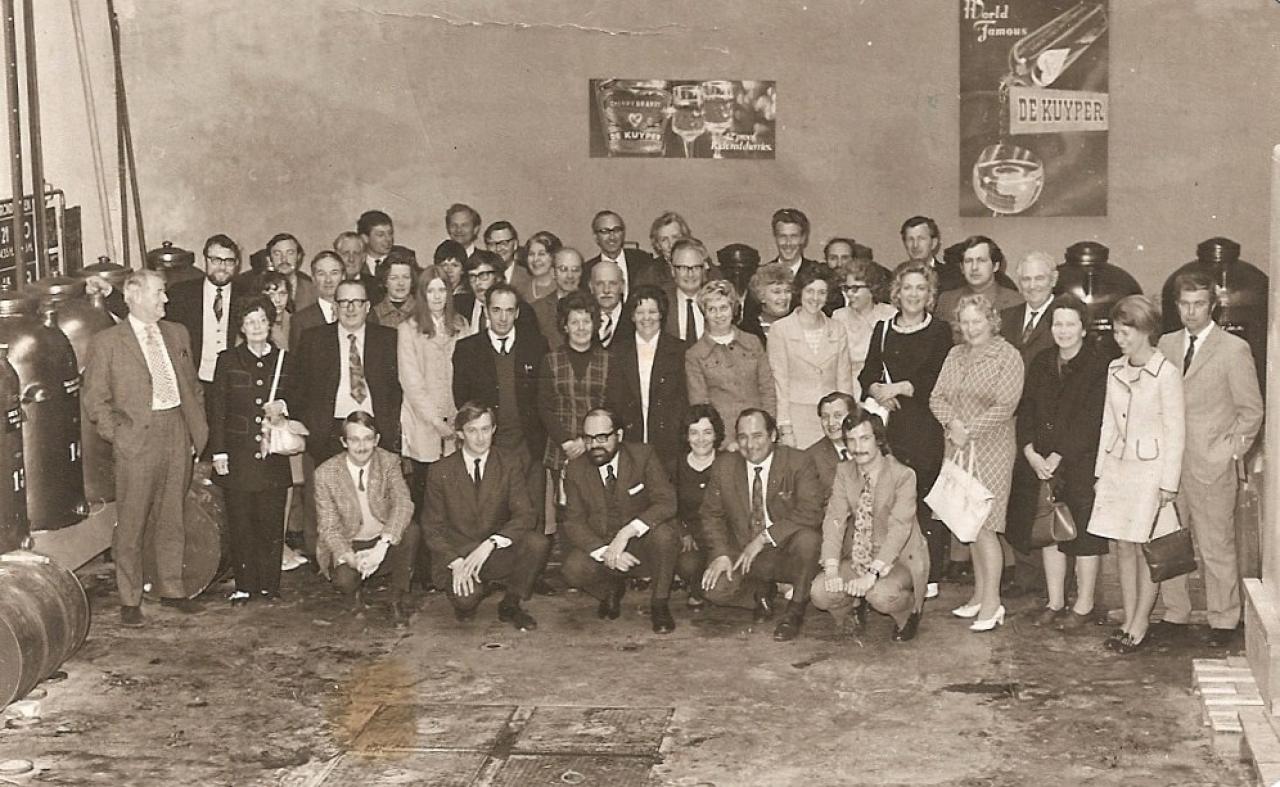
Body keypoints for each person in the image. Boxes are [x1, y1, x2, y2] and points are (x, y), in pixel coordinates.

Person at [82, 270, 209, 625]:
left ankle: (172, 590)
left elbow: (192, 386)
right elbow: (95, 399)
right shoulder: (107, 342)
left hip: (176, 430)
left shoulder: (178, 333)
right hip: (136, 438)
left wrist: (193, 430)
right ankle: (130, 598)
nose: (165, 299)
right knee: (132, 522)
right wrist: (119, 435)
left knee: (172, 516)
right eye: (158, 292)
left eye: (164, 292)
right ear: (133, 296)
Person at [1156, 273, 1263, 648]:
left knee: (1216, 544)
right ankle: (1175, 612)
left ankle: (1224, 618)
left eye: (1199, 304)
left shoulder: (1233, 349)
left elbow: (1252, 412)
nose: (1191, 312)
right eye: (1184, 304)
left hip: (1212, 465)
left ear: (1212, 306)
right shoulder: (1166, 344)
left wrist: (1229, 453)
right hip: (1170, 465)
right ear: (1176, 306)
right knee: (1169, 540)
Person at [1088, 295, 1185, 653]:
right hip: (1117, 468)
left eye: (1126, 332)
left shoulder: (1166, 374)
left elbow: (1176, 432)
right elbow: (1107, 424)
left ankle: (1141, 622)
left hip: (1150, 472)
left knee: (1148, 547)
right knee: (1123, 545)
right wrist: (1100, 472)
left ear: (1145, 330)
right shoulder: (1114, 369)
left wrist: (1168, 484)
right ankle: (1128, 619)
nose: (1119, 339)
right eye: (1116, 332)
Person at [1014, 296, 1111, 629]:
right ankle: (1055, 601)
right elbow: (1027, 408)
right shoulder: (1042, 361)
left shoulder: (1098, 365)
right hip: (1042, 462)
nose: (1063, 331)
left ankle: (1083, 606)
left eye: (1071, 324)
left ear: (1083, 329)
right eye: (1058, 324)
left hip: (1079, 463)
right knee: (1051, 532)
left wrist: (1059, 455)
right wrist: (1029, 451)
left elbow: (1091, 418)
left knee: (1083, 535)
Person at [930, 294, 1025, 632]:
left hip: (992, 448)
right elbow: (936, 396)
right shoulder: (955, 354)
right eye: (965, 322)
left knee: (985, 525)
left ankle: (993, 603)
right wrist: (952, 423)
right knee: (967, 524)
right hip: (957, 446)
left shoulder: (1008, 356)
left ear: (991, 320)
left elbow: (1006, 405)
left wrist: (968, 430)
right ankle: (979, 595)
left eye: (977, 321)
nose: (971, 328)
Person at [860, 263, 954, 598]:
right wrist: (877, 391)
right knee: (892, 497)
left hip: (926, 424)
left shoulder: (940, 330)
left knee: (925, 499)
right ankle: (894, 567)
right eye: (907, 288)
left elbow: (938, 377)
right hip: (892, 424)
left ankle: (928, 574)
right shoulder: (883, 328)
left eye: (920, 288)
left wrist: (899, 387)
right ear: (897, 293)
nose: (913, 294)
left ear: (930, 295)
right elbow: (867, 373)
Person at [699, 409, 822, 641]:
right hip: (744, 550)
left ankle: (794, 611)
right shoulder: (724, 466)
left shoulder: (798, 461)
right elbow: (710, 514)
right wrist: (721, 553)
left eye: (757, 436)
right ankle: (761, 592)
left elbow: (811, 511)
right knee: (714, 591)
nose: (750, 445)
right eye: (743, 437)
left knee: (809, 540)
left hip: (784, 547)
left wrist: (764, 537)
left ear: (773, 435)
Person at [422, 402, 546, 630]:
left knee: (537, 542)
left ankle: (511, 602)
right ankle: (476, 591)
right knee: (466, 603)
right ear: (460, 434)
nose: (480, 438)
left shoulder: (509, 463)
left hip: (494, 552)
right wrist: (456, 562)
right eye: (472, 430)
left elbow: (526, 515)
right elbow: (432, 528)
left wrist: (491, 543)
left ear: (494, 429)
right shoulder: (440, 471)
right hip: (460, 556)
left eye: (485, 429)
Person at [561, 408, 683, 634]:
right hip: (604, 543)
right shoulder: (576, 468)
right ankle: (609, 590)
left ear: (619, 435)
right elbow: (573, 522)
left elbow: (667, 502)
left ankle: (659, 603)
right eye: (588, 438)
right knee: (572, 570)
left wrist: (626, 533)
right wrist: (606, 552)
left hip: (641, 542)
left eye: (602, 438)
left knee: (665, 536)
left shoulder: (643, 456)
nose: (594, 445)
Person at [811, 410, 929, 641]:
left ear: (879, 440)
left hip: (897, 558)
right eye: (851, 440)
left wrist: (872, 574)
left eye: (865, 438)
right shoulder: (845, 471)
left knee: (880, 595)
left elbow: (899, 529)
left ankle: (908, 614)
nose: (858, 447)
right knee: (820, 592)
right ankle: (850, 612)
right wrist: (832, 570)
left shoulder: (903, 475)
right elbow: (834, 519)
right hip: (858, 555)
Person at [210, 295, 293, 605]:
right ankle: (245, 585)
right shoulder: (228, 360)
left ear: (270, 325)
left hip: (272, 456)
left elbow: (300, 396)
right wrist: (219, 452)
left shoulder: (284, 360)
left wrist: (283, 406)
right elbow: (217, 409)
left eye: (262, 321)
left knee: (271, 523)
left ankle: (270, 585)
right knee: (241, 522)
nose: (256, 327)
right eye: (250, 322)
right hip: (239, 454)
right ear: (241, 327)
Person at [452, 283, 550, 539]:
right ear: (486, 311)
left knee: (531, 520)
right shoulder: (467, 349)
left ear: (517, 313)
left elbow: (545, 396)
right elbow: (462, 401)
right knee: (493, 516)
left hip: (529, 447)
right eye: (496, 310)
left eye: (509, 310)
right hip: (489, 447)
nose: (503, 318)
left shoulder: (536, 346)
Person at [1000, 251, 1063, 595]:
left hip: (1048, 421)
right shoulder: (1007, 318)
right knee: (1018, 498)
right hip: (1009, 419)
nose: (1033, 285)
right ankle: (1026, 577)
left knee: (1048, 501)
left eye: (1040, 278)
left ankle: (1057, 585)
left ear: (1053, 280)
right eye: (1026, 279)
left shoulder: (1064, 317)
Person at [314, 412, 415, 624]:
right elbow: (329, 527)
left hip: (383, 540)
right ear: (343, 442)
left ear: (377, 440)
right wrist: (351, 558)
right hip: (350, 543)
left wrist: (382, 546)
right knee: (344, 580)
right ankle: (354, 595)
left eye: (368, 439)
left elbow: (403, 503)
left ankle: (396, 598)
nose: (362, 446)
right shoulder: (325, 473)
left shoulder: (389, 462)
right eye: (354, 440)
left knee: (412, 532)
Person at [399, 265, 468, 509]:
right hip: (423, 421)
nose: (437, 297)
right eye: (431, 291)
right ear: (422, 294)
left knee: (454, 492)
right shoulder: (408, 328)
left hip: (455, 419)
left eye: (442, 290)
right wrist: (436, 421)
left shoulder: (461, 325)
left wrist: (460, 419)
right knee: (425, 491)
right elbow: (411, 381)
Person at [605, 284, 689, 478]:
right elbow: (613, 399)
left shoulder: (680, 350)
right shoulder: (617, 352)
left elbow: (684, 398)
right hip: (630, 439)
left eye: (652, 312)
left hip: (669, 441)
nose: (646, 318)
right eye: (640, 312)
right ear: (632, 316)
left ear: (661, 314)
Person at [767, 266, 854, 449]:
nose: (815, 298)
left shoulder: (837, 329)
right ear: (800, 292)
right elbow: (780, 383)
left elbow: (844, 380)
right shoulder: (780, 330)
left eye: (822, 292)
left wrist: (848, 421)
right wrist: (785, 428)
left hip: (833, 420)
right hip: (797, 419)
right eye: (810, 291)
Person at [685, 280, 776, 451]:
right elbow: (701, 406)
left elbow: (767, 389)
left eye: (723, 308)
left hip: (759, 436)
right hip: (723, 442)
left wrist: (767, 431)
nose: (719, 315)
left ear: (733, 309)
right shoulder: (695, 354)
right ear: (704, 313)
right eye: (712, 309)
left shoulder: (753, 342)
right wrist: (726, 442)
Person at [164, 234, 244, 404]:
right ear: (205, 260)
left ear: (237, 264)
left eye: (229, 261)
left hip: (234, 387)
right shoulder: (181, 293)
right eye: (216, 260)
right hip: (193, 385)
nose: (222, 267)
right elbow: (150, 316)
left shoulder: (247, 295)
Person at [538, 291, 610, 480]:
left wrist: (586, 441)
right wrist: (566, 442)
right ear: (565, 326)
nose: (581, 328)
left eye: (586, 321)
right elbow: (544, 407)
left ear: (594, 324)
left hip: (598, 447)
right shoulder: (551, 360)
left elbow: (612, 406)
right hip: (563, 449)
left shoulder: (609, 360)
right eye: (574, 322)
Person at [674, 404, 720, 608]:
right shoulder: (675, 466)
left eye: (707, 432)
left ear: (716, 435)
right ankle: (696, 583)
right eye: (694, 433)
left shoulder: (728, 463)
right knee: (688, 565)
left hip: (721, 536)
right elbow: (667, 506)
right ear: (686, 436)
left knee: (719, 585)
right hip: (692, 538)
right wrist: (682, 532)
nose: (701, 439)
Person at [899, 215, 1016, 294]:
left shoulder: (955, 275)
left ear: (934, 243)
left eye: (921, 239)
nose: (915, 245)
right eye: (910, 239)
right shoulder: (897, 277)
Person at [831, 257, 896, 385]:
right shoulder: (839, 316)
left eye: (855, 288)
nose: (850, 294)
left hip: (880, 384)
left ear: (872, 288)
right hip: (847, 384)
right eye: (847, 288)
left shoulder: (889, 315)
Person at [935, 236, 1023, 319]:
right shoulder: (947, 301)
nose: (974, 267)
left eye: (981, 261)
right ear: (962, 268)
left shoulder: (1016, 302)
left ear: (995, 266)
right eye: (968, 261)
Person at [583, 210, 663, 297]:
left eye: (616, 230)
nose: (612, 237)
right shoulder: (587, 272)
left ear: (623, 233)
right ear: (596, 237)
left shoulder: (643, 261)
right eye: (605, 231)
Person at [804, 392, 859, 506]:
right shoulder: (810, 459)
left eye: (838, 416)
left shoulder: (872, 447)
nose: (831, 423)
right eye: (825, 417)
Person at [532, 247, 585, 350]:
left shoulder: (594, 306)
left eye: (575, 270)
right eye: (563, 269)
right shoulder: (538, 310)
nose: (570, 276)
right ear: (553, 273)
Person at [290, 251, 345, 348]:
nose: (328, 280)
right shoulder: (301, 321)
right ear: (313, 279)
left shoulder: (361, 313)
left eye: (334, 273)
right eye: (321, 274)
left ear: (343, 276)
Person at [665, 238, 710, 344]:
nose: (690, 274)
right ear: (672, 270)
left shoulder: (716, 300)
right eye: (683, 268)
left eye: (696, 267)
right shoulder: (661, 303)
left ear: (704, 269)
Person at [739, 264, 793, 344]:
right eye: (777, 292)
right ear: (761, 296)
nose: (784, 297)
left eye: (788, 291)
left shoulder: (798, 323)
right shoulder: (747, 329)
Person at [262, 232, 317, 311]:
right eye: (277, 254)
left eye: (290, 253)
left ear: (298, 257)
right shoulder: (258, 290)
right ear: (269, 259)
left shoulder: (313, 290)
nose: (284, 259)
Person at [455, 250, 503, 335]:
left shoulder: (516, 310)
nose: (477, 282)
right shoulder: (458, 306)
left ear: (498, 277)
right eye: (472, 277)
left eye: (483, 275)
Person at [359, 209, 417, 275]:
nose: (388, 239)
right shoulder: (356, 260)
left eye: (390, 233)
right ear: (365, 238)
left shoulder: (405, 257)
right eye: (380, 235)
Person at [589, 259, 631, 349]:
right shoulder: (584, 320)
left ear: (622, 286)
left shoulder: (634, 319)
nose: (606, 290)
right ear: (591, 287)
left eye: (612, 283)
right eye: (600, 284)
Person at [335, 228, 384, 306]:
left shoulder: (377, 288)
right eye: (346, 253)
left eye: (356, 253)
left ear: (363, 258)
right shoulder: (329, 285)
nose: (351, 259)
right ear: (336, 256)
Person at [484, 220, 534, 296]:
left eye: (504, 243)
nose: (498, 249)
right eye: (492, 244)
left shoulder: (529, 277)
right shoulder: (479, 278)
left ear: (515, 244)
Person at [370, 253, 416, 328]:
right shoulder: (374, 314)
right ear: (385, 282)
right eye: (394, 278)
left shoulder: (423, 311)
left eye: (406, 277)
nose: (401, 283)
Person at [649, 210, 692, 284]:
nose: (671, 244)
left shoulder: (702, 263)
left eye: (675, 237)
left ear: (685, 238)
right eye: (664, 240)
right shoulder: (650, 274)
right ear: (658, 245)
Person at [518, 230, 561, 303]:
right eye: (531, 254)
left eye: (541, 254)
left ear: (553, 257)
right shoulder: (521, 289)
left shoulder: (562, 287)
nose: (535, 259)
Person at [260, 270, 293, 350]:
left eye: (282, 294)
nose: (278, 300)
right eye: (271, 294)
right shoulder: (252, 324)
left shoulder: (297, 322)